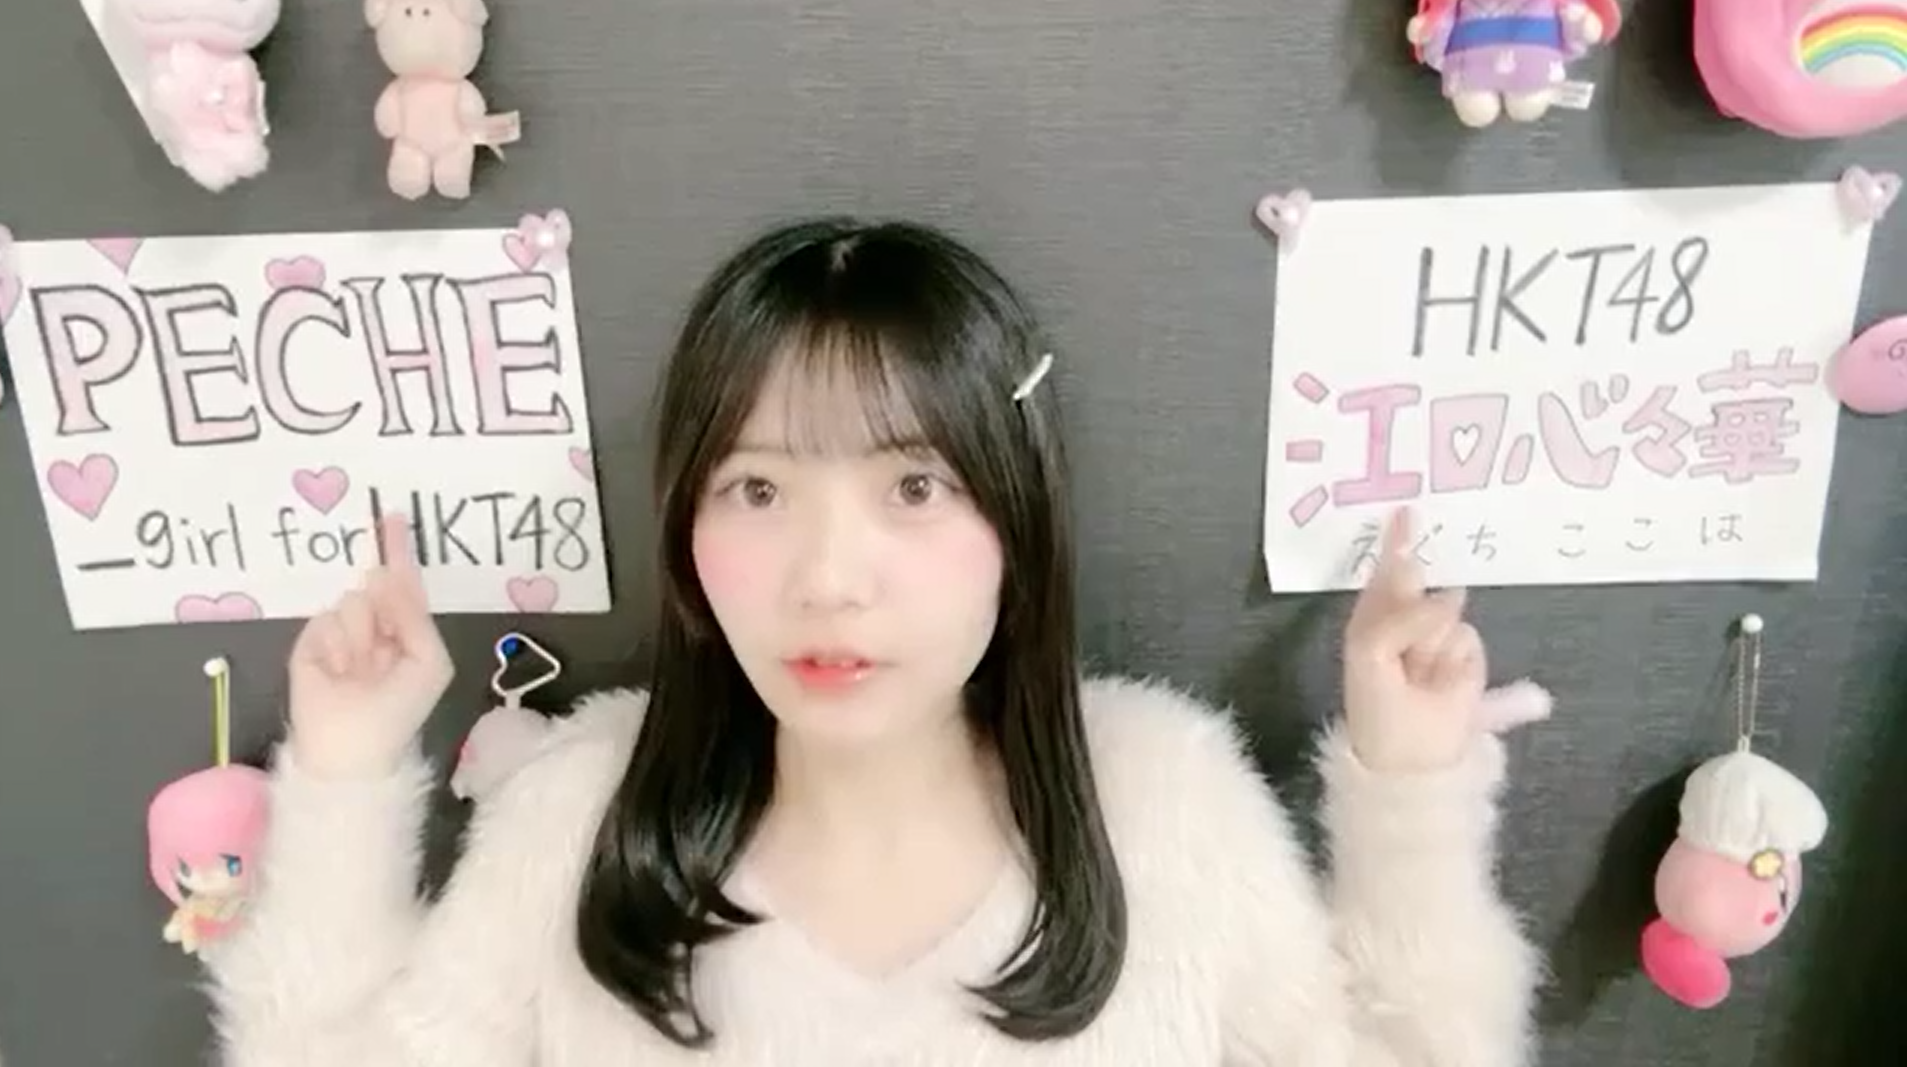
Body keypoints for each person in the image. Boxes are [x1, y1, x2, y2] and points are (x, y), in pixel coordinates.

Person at [204, 218, 1539, 1065]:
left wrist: (1410, 796)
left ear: (1015, 521)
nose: (830, 581)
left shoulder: (1162, 807)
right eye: (758, 489)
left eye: (912, 487)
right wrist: (343, 778)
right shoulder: (578, 819)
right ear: (686, 529)